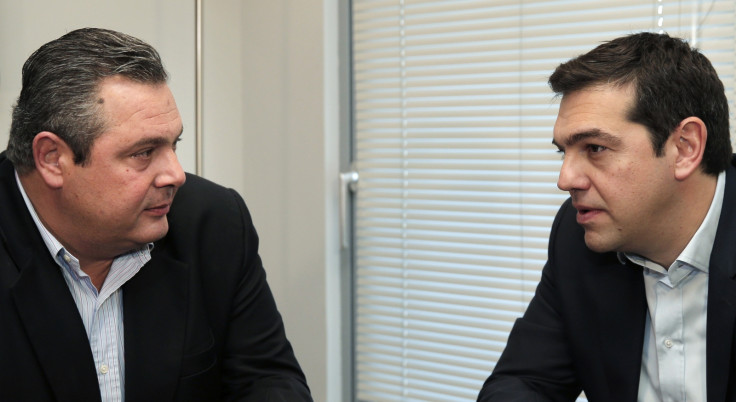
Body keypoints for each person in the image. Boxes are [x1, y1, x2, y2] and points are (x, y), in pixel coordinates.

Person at [0, 28, 312, 401]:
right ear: (53, 159)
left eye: (173, 143)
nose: (176, 175)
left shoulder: (211, 221)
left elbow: (268, 380)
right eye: (144, 152)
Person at [478, 32, 736, 401]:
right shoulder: (577, 234)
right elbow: (522, 383)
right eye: (563, 152)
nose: (565, 180)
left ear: (685, 148)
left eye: (595, 148)